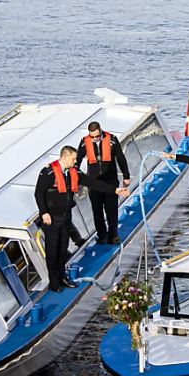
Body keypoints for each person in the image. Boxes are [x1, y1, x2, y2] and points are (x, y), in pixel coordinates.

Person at [35, 146, 130, 292]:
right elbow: (38, 194)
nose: (75, 161)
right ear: (65, 157)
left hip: (66, 217)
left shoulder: (74, 172)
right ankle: (54, 283)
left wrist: (115, 190)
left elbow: (92, 183)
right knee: (52, 251)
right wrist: (44, 213)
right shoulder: (48, 172)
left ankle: (62, 277)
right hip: (52, 219)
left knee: (62, 250)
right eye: (73, 159)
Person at [76, 121, 131, 244]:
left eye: (97, 136)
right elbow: (77, 161)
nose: (95, 139)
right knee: (97, 211)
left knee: (111, 210)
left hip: (110, 181)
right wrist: (76, 179)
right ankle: (102, 235)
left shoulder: (112, 140)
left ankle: (113, 235)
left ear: (101, 131)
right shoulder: (84, 142)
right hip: (94, 183)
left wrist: (126, 176)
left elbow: (121, 158)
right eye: (92, 137)